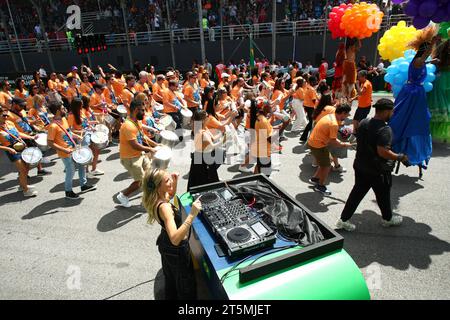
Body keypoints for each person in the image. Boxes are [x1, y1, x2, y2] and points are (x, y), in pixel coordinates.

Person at [336, 99, 408, 231]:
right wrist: (399, 157)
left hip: (360, 165)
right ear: (386, 111)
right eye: (392, 111)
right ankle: (387, 219)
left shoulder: (364, 122)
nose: (392, 113)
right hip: (377, 170)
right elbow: (383, 151)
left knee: (357, 193)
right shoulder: (385, 129)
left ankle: (343, 220)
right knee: (383, 195)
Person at [142, 168, 202, 300]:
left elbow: (171, 194)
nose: (169, 182)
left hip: (165, 244)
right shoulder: (164, 207)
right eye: (167, 180)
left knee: (171, 279)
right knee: (185, 285)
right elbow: (175, 239)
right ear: (158, 186)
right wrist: (192, 214)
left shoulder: (156, 197)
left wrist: (174, 181)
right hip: (176, 250)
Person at [389, 29, 439, 175]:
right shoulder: (418, 61)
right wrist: (432, 44)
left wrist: (431, 60)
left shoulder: (418, 61)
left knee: (416, 121)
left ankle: (413, 152)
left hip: (415, 92)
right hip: (413, 94)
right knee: (405, 120)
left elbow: (423, 60)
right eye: (427, 53)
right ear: (424, 52)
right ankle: (400, 148)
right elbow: (423, 58)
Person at [47, 101, 96, 199]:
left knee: (82, 164)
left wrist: (77, 136)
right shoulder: (53, 126)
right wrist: (64, 150)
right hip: (65, 153)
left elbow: (68, 132)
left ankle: (83, 185)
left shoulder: (64, 119)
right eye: (62, 108)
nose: (64, 109)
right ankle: (68, 191)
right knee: (71, 171)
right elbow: (50, 143)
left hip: (73, 148)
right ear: (57, 111)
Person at [116, 100, 158, 208]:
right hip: (130, 158)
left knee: (150, 175)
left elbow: (143, 137)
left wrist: (156, 145)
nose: (144, 113)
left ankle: (150, 198)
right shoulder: (128, 126)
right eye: (142, 110)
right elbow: (134, 144)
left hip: (140, 154)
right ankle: (123, 195)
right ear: (135, 110)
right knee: (140, 181)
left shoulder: (137, 121)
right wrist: (151, 149)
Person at [307, 104, 353, 195]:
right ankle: (320, 186)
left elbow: (333, 136)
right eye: (347, 114)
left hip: (314, 142)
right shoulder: (334, 124)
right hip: (318, 145)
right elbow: (333, 141)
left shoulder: (330, 115)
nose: (347, 116)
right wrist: (344, 144)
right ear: (343, 113)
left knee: (329, 160)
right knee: (327, 166)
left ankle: (314, 179)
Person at [0, 107, 37, 197]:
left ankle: (22, 185)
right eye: (4, 115)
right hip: (11, 149)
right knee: (23, 169)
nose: (6, 117)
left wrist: (30, 137)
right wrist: (8, 149)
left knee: (26, 167)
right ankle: (26, 190)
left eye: (7, 115)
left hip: (21, 145)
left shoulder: (10, 123)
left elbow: (18, 134)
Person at [187, 110, 222, 190]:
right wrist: (225, 140)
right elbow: (212, 146)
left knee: (206, 179)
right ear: (203, 119)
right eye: (207, 116)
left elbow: (212, 139)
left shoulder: (203, 128)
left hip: (203, 157)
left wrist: (221, 134)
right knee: (203, 181)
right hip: (203, 160)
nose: (209, 117)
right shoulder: (201, 132)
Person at [427, 39, 450, 143]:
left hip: (440, 79)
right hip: (444, 79)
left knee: (440, 105)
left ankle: (436, 132)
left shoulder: (439, 55)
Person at [300, 76, 319, 143]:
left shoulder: (308, 87)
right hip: (310, 107)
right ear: (312, 82)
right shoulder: (312, 89)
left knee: (311, 122)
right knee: (311, 123)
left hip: (307, 106)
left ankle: (304, 137)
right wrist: (318, 107)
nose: (316, 82)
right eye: (315, 81)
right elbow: (314, 100)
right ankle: (306, 137)